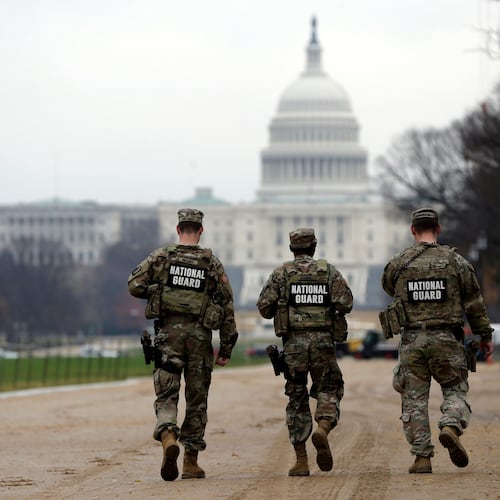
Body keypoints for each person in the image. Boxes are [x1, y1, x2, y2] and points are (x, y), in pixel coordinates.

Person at [127, 208, 238, 481]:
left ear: (178, 229)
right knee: (197, 399)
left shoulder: (162, 257)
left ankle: (167, 435)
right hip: (199, 339)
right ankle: (190, 462)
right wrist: (225, 348)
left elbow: (134, 285)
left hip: (168, 336)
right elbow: (226, 306)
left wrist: (160, 292)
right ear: (200, 230)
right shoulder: (212, 263)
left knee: (167, 393)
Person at [381, 207, 493, 474]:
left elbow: (388, 287)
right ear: (438, 228)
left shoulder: (398, 264)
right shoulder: (457, 262)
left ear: (412, 230)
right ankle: (450, 425)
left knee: (414, 400)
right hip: (447, 339)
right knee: (455, 390)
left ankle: (422, 457)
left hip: (412, 341)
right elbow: (474, 303)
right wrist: (484, 334)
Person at [256, 228, 353, 476]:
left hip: (294, 347)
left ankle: (301, 461)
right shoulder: (328, 271)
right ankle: (323, 427)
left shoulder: (281, 274)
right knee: (329, 388)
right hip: (323, 343)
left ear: (292, 248)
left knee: (296, 398)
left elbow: (264, 308)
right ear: (314, 247)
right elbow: (346, 303)